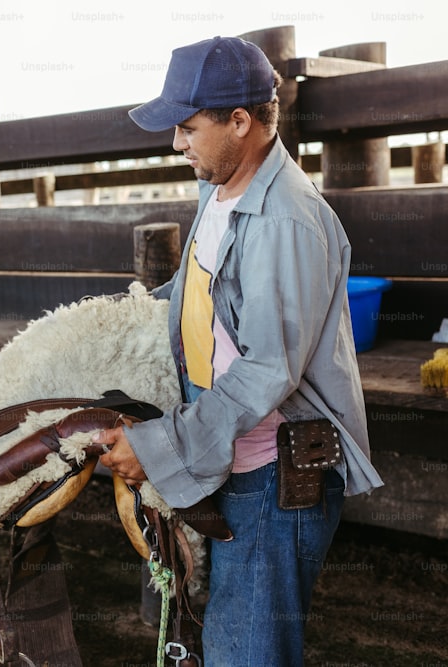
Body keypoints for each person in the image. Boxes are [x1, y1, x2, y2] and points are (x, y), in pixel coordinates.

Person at [92, 36, 384, 666]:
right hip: (236, 455)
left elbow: (266, 370)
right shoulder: (223, 191)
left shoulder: (284, 219)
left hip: (276, 473)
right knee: (229, 634)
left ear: (241, 121)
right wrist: (112, 323)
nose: (177, 143)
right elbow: (201, 291)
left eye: (189, 127)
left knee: (245, 652)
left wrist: (158, 446)